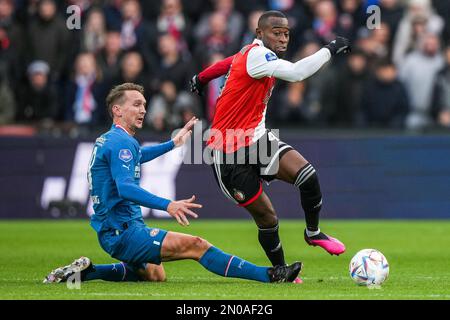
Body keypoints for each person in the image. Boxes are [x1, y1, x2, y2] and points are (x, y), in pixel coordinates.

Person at [43, 83, 301, 284]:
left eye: (144, 104)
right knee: (196, 245)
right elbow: (125, 188)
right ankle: (271, 275)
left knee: (156, 276)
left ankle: (88, 272)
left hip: (116, 231)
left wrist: (173, 143)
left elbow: (138, 156)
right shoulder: (120, 142)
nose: (143, 109)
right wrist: (168, 205)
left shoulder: (112, 140)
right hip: (124, 231)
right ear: (117, 110)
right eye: (136, 104)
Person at [189, 11, 350, 277]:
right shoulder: (257, 56)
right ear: (260, 34)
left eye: (286, 33)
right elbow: (298, 73)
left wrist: (202, 77)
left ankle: (313, 232)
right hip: (227, 152)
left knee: (307, 175)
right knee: (268, 218)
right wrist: (330, 49)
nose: (283, 38)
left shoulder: (248, 52)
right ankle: (281, 269)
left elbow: (228, 62)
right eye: (276, 32)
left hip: (256, 139)